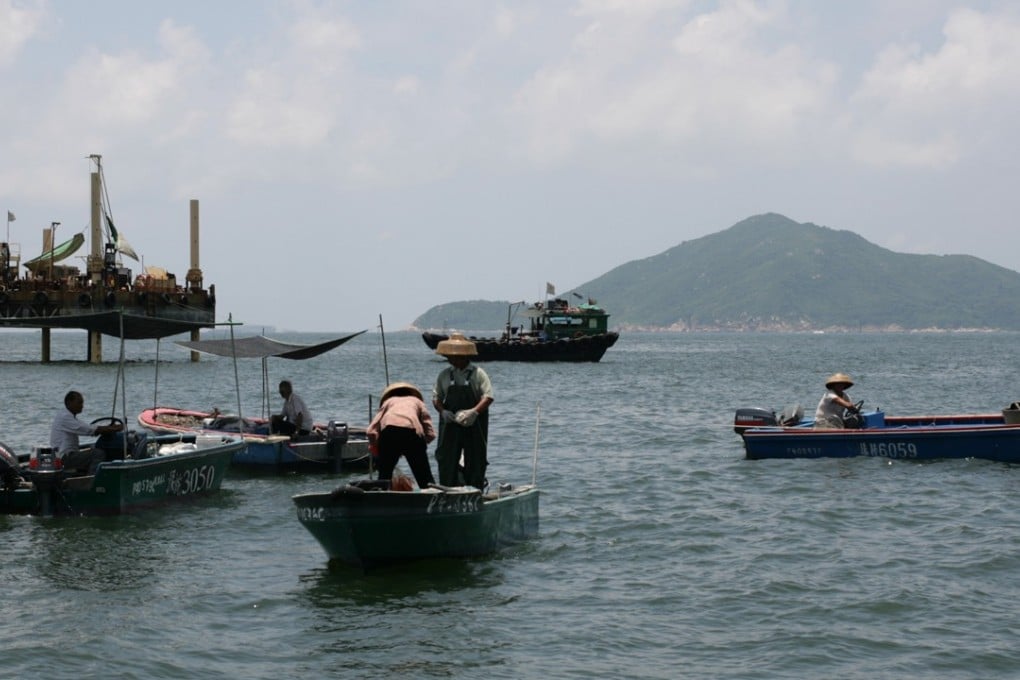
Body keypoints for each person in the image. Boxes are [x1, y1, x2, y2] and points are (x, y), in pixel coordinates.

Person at [432, 333, 494, 489]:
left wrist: (473, 412)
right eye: (450, 356)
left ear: (465, 356)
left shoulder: (478, 374)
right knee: (446, 457)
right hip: (450, 423)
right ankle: (447, 490)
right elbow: (436, 397)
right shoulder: (444, 375)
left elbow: (488, 397)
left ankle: (474, 490)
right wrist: (443, 411)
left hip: (474, 424)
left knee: (475, 457)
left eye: (457, 356)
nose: (453, 359)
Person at [367, 382, 437, 489]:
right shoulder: (417, 402)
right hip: (412, 434)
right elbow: (431, 434)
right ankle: (431, 495)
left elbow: (371, 431)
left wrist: (377, 447)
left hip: (389, 434)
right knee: (425, 479)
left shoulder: (388, 402)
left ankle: (381, 498)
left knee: (384, 478)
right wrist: (416, 448)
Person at [50, 390, 124, 475]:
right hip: (65, 458)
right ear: (69, 402)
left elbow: (87, 428)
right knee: (98, 454)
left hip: (65, 455)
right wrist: (114, 428)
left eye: (82, 403)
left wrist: (106, 429)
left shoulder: (67, 417)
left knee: (93, 448)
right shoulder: (65, 417)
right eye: (79, 403)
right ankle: (92, 480)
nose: (82, 406)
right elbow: (87, 429)